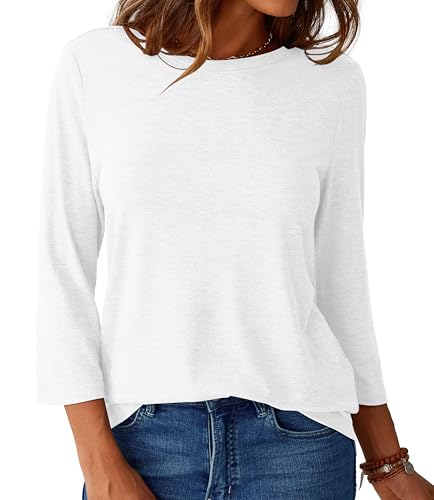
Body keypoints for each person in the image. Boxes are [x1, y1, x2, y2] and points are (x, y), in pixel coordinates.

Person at [35, 0, 434, 499]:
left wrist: (387, 464)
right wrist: (97, 460)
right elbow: (62, 270)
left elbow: (340, 284)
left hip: (302, 447)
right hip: (144, 440)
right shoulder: (94, 64)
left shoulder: (332, 83)